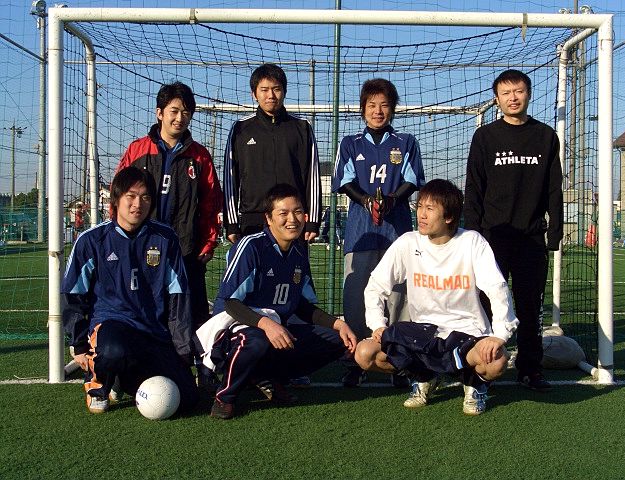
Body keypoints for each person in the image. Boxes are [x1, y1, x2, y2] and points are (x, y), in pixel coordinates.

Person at [355, 179, 519, 415]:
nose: (421, 214)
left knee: (496, 361)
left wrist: (499, 335)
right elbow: (375, 285)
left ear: (449, 216)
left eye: (430, 209)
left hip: (466, 333)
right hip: (423, 335)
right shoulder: (408, 242)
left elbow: (497, 288)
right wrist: (377, 324)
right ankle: (424, 377)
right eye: (420, 206)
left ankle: (475, 384)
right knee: (365, 354)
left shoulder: (471, 242)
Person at [195, 184, 357, 419]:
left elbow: (301, 305)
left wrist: (338, 324)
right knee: (257, 339)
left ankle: (266, 377)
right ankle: (225, 396)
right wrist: (266, 324)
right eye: (283, 213)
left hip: (275, 328)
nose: (292, 219)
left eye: (298, 212)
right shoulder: (252, 246)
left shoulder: (299, 252)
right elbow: (230, 302)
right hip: (233, 330)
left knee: (337, 340)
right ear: (268, 218)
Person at [61, 166, 198, 414]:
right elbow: (72, 294)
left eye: (145, 197)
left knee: (187, 398)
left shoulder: (165, 238)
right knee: (113, 351)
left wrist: (182, 349)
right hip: (112, 324)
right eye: (131, 196)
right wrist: (79, 344)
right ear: (116, 199)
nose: (138, 204)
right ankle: (98, 383)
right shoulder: (92, 240)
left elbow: (179, 296)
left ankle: (121, 378)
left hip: (153, 330)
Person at [117, 81, 223, 387]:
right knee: (139, 311)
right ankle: (123, 372)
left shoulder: (199, 157)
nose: (180, 117)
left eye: (186, 112)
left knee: (194, 314)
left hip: (185, 251)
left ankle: (202, 372)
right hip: (141, 250)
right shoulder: (138, 150)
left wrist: (208, 242)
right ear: (159, 112)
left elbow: (211, 203)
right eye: (174, 111)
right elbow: (119, 196)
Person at [463, 69, 563, 392]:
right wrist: (472, 237)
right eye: (506, 93)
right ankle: (481, 368)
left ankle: (530, 369)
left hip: (531, 238)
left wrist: (555, 231)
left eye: (518, 91)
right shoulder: (485, 137)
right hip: (492, 239)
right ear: (497, 99)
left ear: (528, 94)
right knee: (485, 304)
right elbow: (473, 190)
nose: (513, 98)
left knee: (530, 306)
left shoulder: (545, 136)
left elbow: (554, 189)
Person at [331, 78, 425, 387]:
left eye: (384, 105)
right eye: (371, 105)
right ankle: (356, 361)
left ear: (393, 109)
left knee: (398, 297)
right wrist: (366, 201)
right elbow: (343, 181)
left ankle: (398, 362)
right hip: (360, 232)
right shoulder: (350, 143)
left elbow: (413, 179)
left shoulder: (406, 142)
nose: (378, 111)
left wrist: (392, 200)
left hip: (397, 231)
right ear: (363, 109)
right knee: (356, 296)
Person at [223, 63, 321, 243]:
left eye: (276, 89)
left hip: (292, 219)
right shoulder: (240, 129)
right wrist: (231, 223)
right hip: (252, 220)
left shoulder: (302, 127)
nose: (271, 95)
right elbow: (231, 180)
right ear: (254, 94)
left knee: (294, 263)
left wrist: (313, 220)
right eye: (264, 90)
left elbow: (312, 177)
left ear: (284, 91)